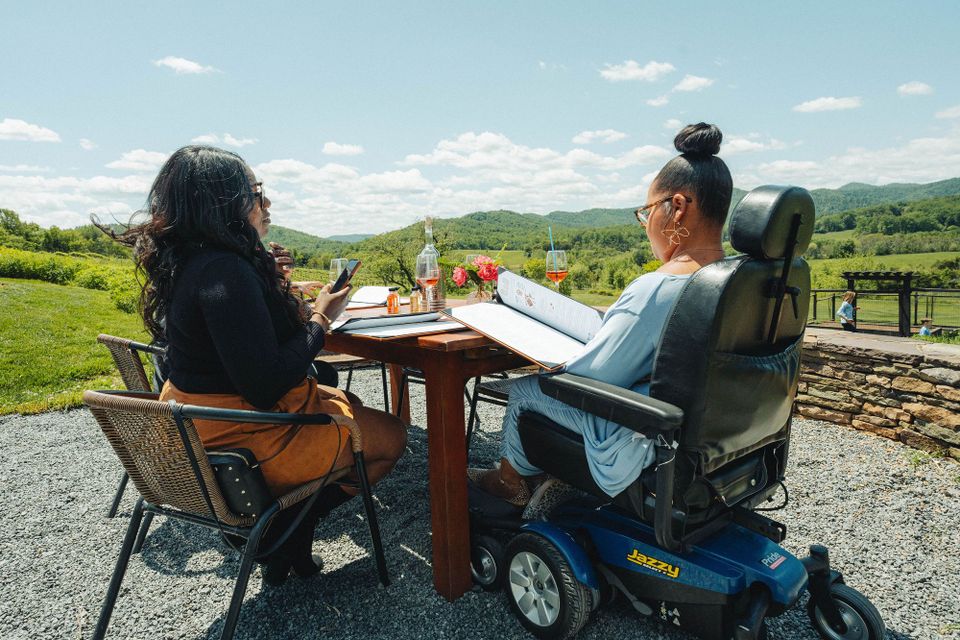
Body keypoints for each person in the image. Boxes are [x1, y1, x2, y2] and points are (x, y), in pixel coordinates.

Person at [98, 145, 407, 584]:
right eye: (254, 190)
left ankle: (287, 535)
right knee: (394, 438)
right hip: (244, 441)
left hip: (194, 431)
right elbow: (266, 385)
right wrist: (322, 317)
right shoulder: (225, 272)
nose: (264, 201)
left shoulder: (191, 263)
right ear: (225, 201)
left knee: (347, 400)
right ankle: (279, 532)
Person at [468, 123, 732, 506]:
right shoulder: (736, 281)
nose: (647, 226)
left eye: (646, 212)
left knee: (528, 390)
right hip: (709, 434)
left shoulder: (658, 288)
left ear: (676, 208)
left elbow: (589, 377)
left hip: (645, 439)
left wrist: (556, 362)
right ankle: (544, 475)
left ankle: (511, 486)